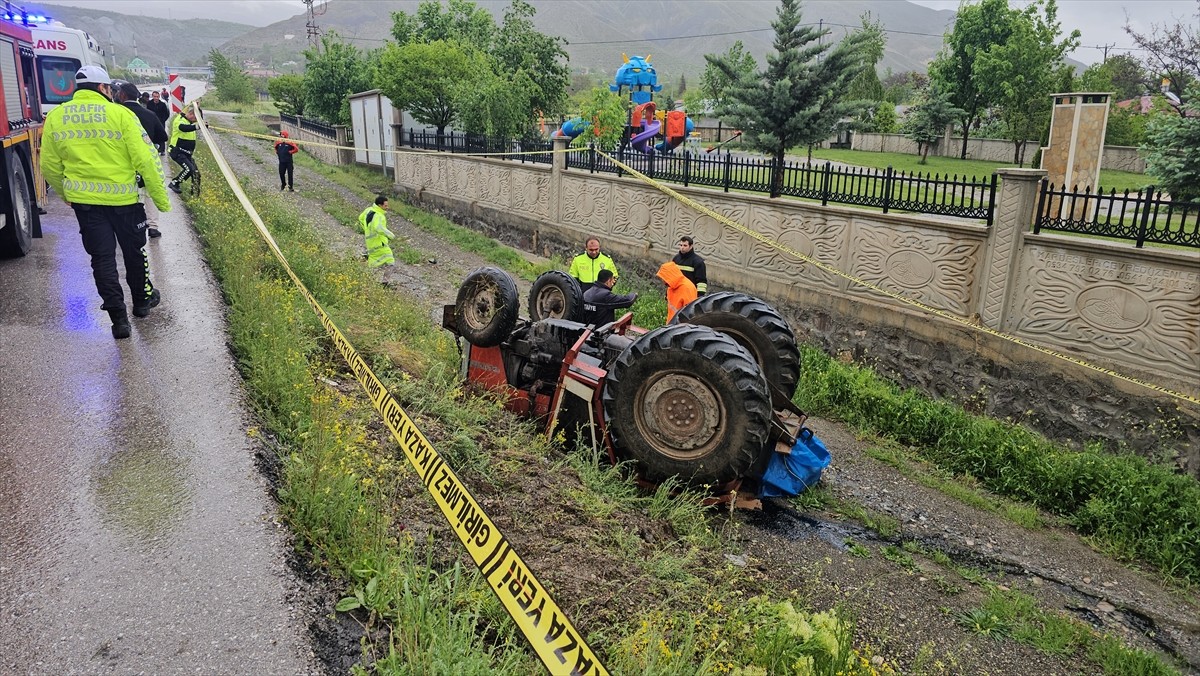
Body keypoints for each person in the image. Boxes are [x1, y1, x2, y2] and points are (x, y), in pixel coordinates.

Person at [40, 65, 171, 339]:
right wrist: (160, 199)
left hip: (86, 205)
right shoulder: (120, 114)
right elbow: (145, 158)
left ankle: (119, 321)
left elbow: (49, 166)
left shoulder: (56, 117)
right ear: (103, 88)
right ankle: (142, 303)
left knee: (102, 260)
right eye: (110, 89)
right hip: (125, 201)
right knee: (135, 252)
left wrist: (67, 195)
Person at [112, 80, 169, 238]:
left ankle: (130, 225)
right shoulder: (149, 114)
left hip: (123, 162)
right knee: (150, 192)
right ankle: (152, 226)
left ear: (122, 95)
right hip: (147, 161)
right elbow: (163, 136)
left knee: (130, 194)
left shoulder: (115, 113)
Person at [167, 106, 200, 194]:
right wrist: (197, 127)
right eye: (196, 118)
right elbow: (183, 128)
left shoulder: (189, 122)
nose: (196, 120)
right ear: (190, 114)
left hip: (187, 153)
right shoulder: (180, 120)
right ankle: (175, 183)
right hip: (177, 151)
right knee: (189, 169)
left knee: (196, 173)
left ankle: (195, 194)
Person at [358, 195, 395, 267]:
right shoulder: (378, 215)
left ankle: (369, 272)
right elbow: (379, 228)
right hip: (379, 242)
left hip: (369, 240)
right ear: (379, 205)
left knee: (373, 258)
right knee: (389, 258)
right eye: (385, 206)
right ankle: (387, 277)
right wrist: (391, 235)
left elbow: (361, 218)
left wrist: (366, 229)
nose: (387, 207)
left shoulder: (368, 210)